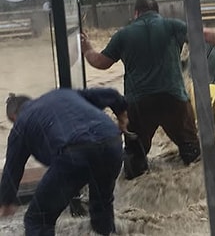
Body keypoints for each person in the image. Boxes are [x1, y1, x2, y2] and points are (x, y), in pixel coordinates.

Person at [80, 0, 215, 180]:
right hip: (174, 98)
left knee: (135, 156)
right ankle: (196, 187)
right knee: (192, 153)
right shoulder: (172, 26)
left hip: (138, 103)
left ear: (136, 13)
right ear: (157, 12)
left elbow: (100, 63)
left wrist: (87, 49)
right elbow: (204, 34)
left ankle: (137, 186)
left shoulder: (123, 35)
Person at [0, 88, 129, 236]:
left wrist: (6, 200)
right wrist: (122, 115)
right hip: (111, 142)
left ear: (14, 116)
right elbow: (110, 94)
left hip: (74, 153)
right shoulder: (63, 95)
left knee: (37, 219)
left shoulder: (21, 123)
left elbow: (13, 167)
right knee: (102, 208)